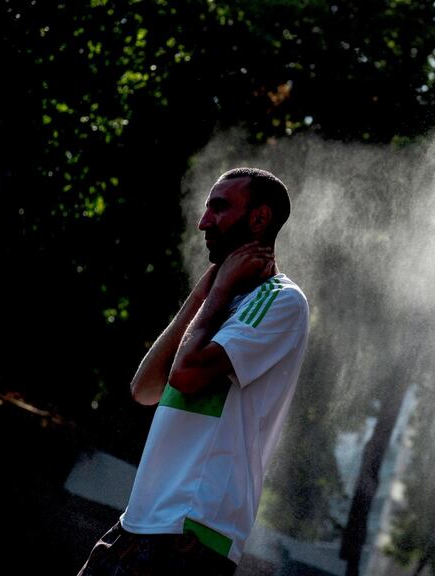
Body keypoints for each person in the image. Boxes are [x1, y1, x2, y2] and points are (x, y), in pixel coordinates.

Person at [78, 168, 310, 575]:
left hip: (192, 532)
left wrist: (217, 294)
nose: (204, 221)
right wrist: (203, 294)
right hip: (141, 519)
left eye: (219, 208)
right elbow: (145, 388)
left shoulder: (281, 300)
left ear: (259, 218)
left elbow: (185, 375)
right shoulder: (217, 303)